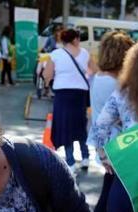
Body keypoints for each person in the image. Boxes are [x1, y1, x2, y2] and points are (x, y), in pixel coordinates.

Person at [83, 31, 135, 212]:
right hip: (116, 149)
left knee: (109, 194)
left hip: (110, 148)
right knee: (110, 197)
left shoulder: (100, 78)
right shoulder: (114, 83)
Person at [42, 28, 95, 169]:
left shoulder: (56, 54)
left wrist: (49, 83)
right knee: (80, 125)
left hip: (62, 95)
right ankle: (85, 158)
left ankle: (70, 161)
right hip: (80, 95)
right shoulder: (85, 53)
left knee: (65, 126)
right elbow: (93, 71)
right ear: (75, 39)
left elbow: (47, 74)